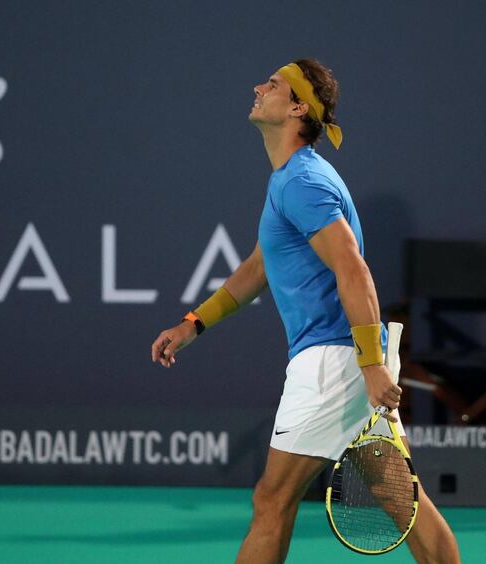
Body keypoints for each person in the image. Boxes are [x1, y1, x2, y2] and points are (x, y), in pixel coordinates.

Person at [150, 59, 460, 563]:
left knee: (271, 500)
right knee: (405, 505)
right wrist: (194, 323)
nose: (258, 87)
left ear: (297, 107)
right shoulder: (293, 179)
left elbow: (353, 269)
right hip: (348, 359)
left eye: (271, 84)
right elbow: (258, 267)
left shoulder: (302, 183)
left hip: (333, 364)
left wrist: (368, 365)